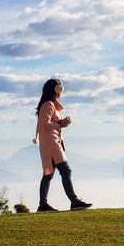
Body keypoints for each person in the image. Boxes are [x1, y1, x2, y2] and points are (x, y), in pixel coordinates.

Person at [33, 78, 92, 212]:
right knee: (65, 171)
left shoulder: (50, 105)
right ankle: (74, 201)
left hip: (50, 144)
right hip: (52, 144)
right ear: (55, 90)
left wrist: (61, 123)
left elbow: (47, 124)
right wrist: (60, 124)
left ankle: (43, 205)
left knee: (48, 174)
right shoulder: (48, 105)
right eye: (59, 88)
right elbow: (45, 124)